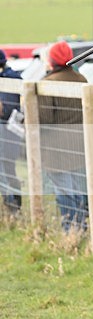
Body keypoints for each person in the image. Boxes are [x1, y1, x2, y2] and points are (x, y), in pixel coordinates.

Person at [38, 41, 89, 232]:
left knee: (64, 189)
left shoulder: (47, 83)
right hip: (79, 142)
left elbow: (43, 119)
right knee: (77, 187)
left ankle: (70, 228)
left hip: (55, 147)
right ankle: (81, 226)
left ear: (51, 60)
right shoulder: (81, 78)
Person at [0, 49, 23, 214]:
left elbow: (5, 110)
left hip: (8, 134)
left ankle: (12, 208)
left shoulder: (10, 79)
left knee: (7, 170)